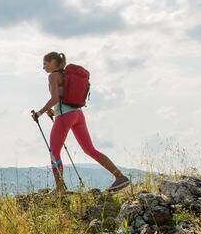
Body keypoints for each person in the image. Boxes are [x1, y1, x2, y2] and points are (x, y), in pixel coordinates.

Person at [31, 52, 130, 192]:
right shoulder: (67, 76)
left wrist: (39, 113)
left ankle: (59, 190)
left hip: (65, 117)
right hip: (77, 115)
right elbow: (64, 98)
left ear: (53, 61)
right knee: (90, 149)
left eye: (45, 63)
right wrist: (54, 111)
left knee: (54, 152)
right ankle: (120, 177)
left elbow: (55, 99)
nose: (43, 67)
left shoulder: (53, 76)